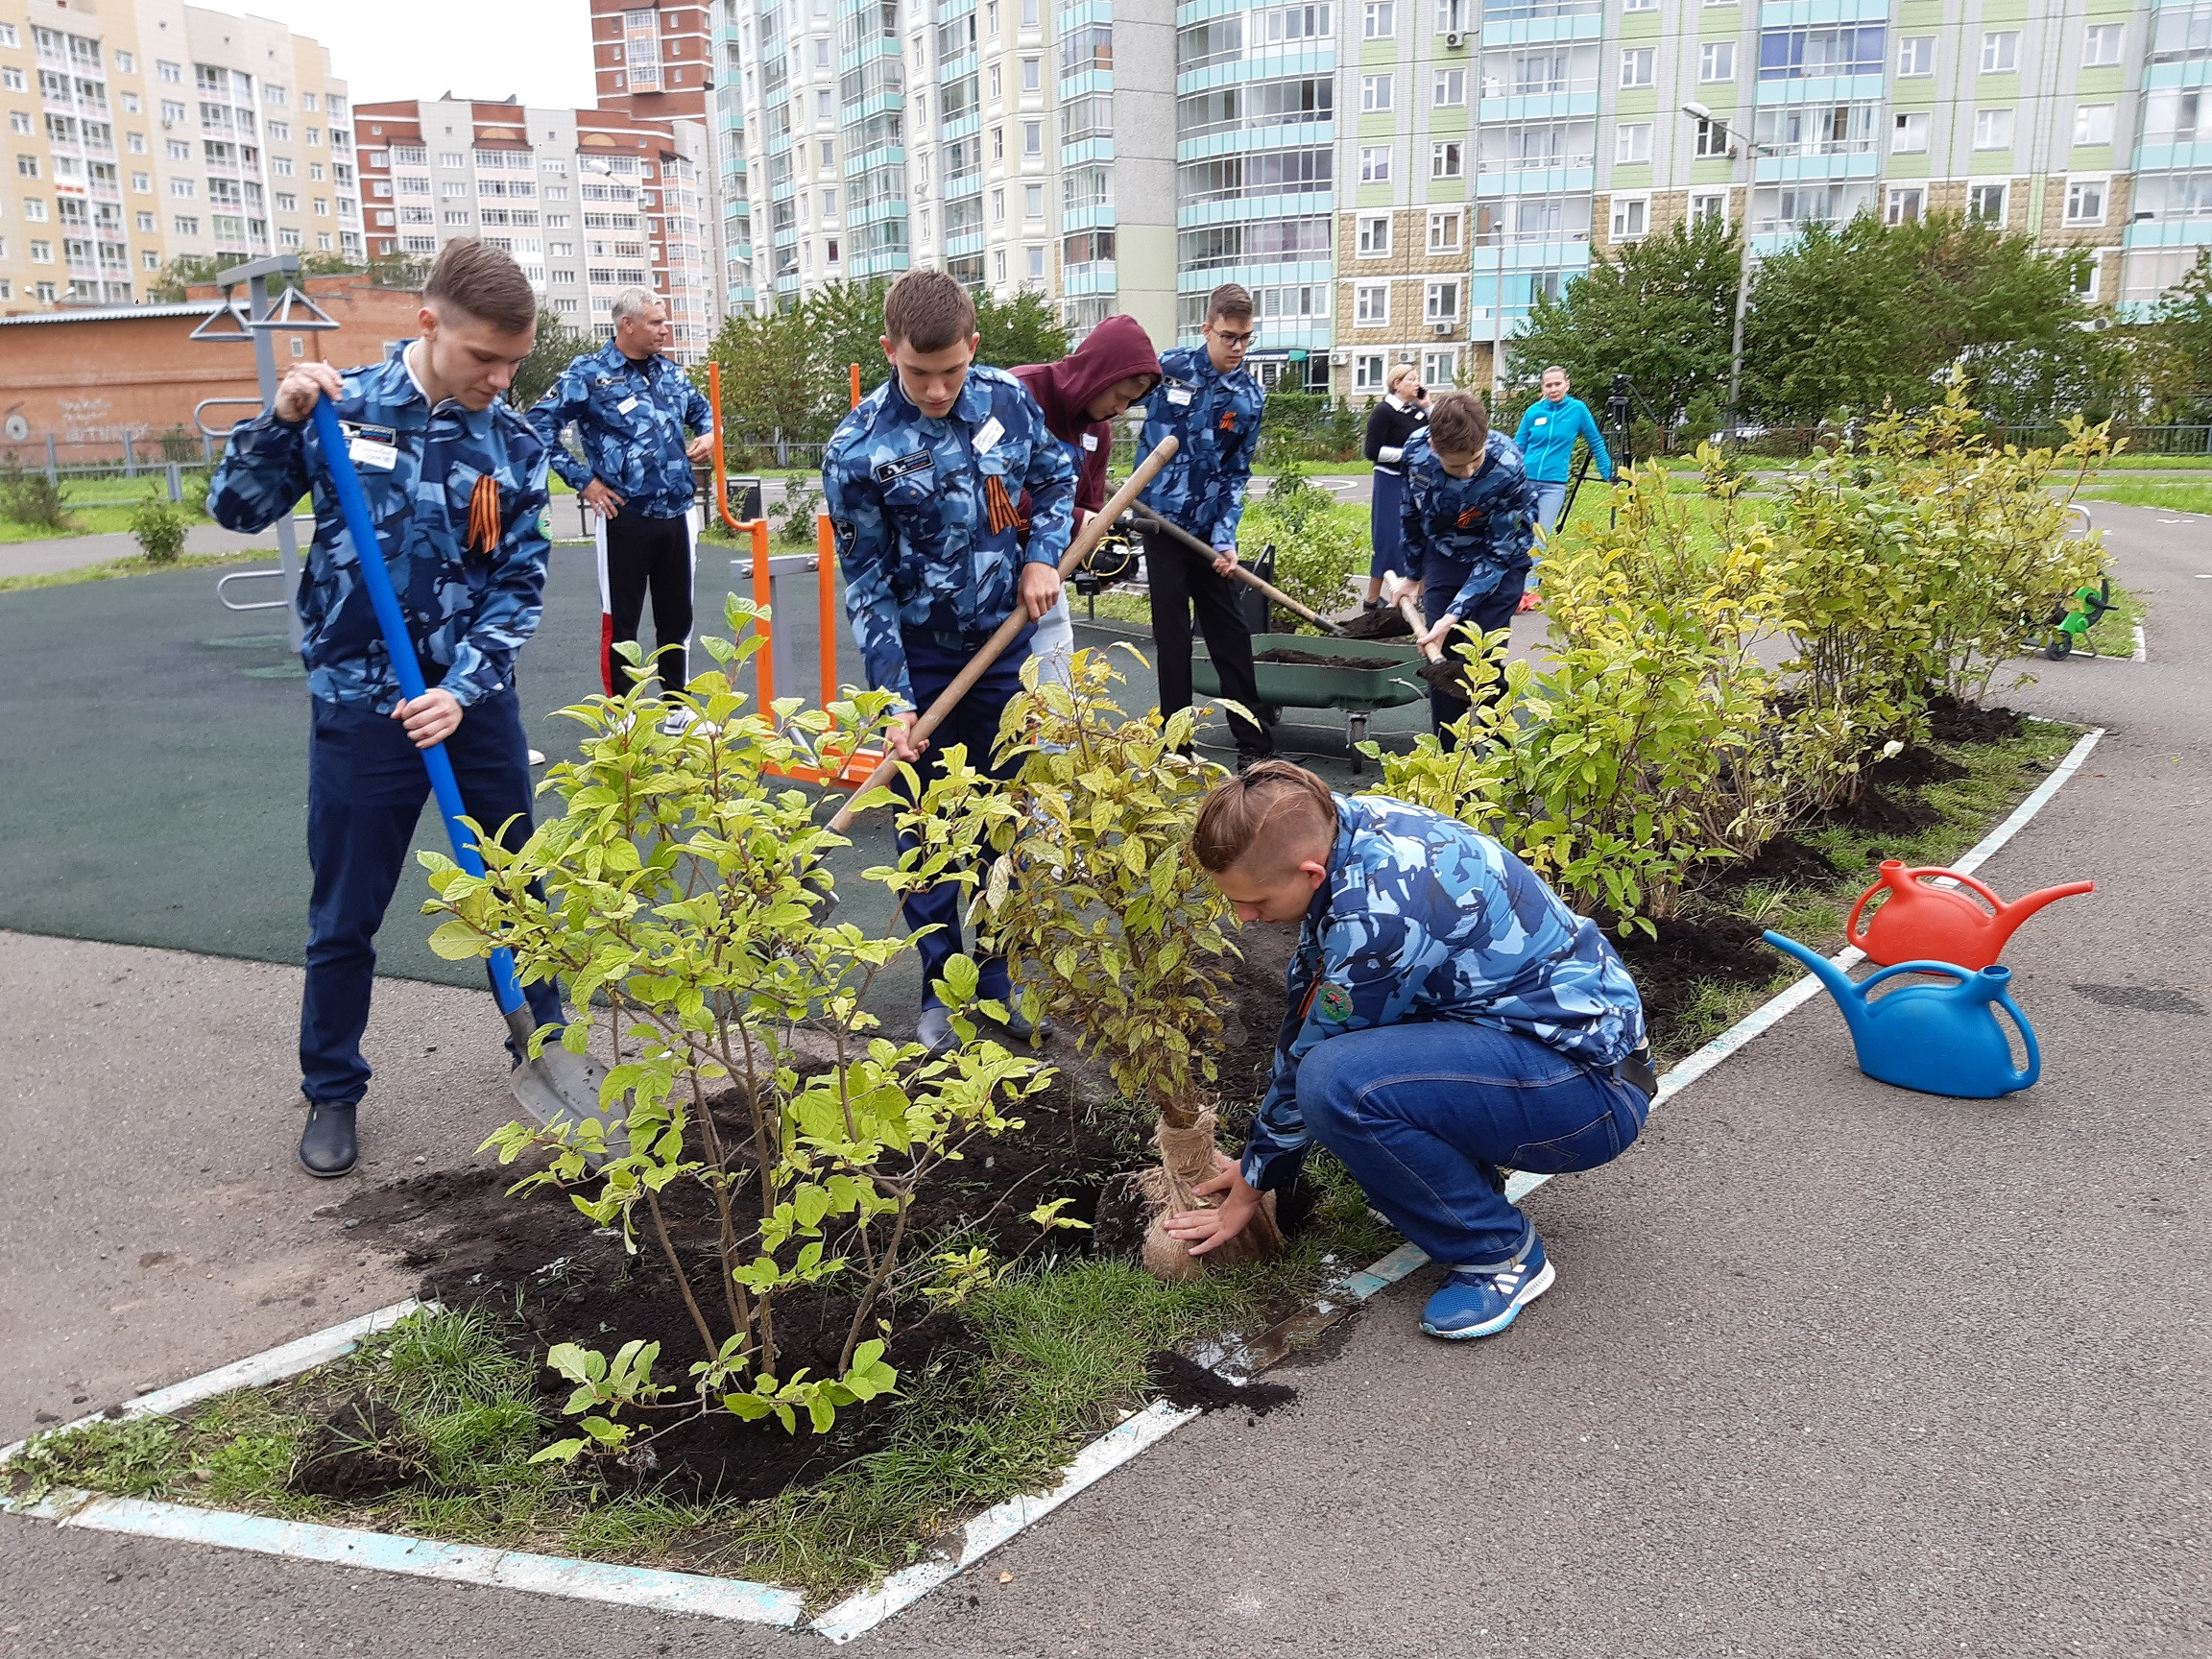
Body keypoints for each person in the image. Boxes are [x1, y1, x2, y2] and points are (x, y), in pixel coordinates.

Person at [207, 239, 568, 1180]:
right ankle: (332, 1088)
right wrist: (281, 422)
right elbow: (237, 509)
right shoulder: (339, 410)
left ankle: (546, 1048)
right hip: (363, 705)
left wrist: (461, 689)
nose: (497, 377)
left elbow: (520, 585)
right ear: (427, 323)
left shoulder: (513, 444)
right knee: (347, 908)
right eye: (481, 357)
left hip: (471, 707)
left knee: (514, 893)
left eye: (512, 362)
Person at [1166, 761, 1652, 1339]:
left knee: (1338, 1083)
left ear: (1309, 871)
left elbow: (1314, 1053)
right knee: (1341, 1070)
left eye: (1256, 901)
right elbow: (1308, 1005)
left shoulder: (1379, 913)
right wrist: (1261, 1163)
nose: (1244, 917)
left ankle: (1500, 1253)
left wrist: (1249, 1190)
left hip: (1585, 1097)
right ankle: (1464, 1191)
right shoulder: (1347, 824)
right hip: (1549, 1053)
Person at [821, 268, 1078, 1053]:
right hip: (923, 661)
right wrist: (896, 701)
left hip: (1005, 651)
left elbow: (1056, 475)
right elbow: (866, 587)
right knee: (929, 831)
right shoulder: (857, 449)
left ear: (973, 346)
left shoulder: (1006, 399)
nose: (936, 390)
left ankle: (997, 989)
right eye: (917, 373)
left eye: (951, 371)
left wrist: (1041, 557)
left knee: (1006, 820)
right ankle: (941, 992)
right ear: (887, 350)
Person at [526, 286, 715, 731]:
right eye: (655, 322)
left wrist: (708, 435)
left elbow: (704, 412)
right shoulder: (588, 374)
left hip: (677, 513)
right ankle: (623, 712)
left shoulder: (670, 373)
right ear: (626, 324)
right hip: (623, 516)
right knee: (622, 618)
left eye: (665, 321)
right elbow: (537, 427)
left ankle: (676, 707)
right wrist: (585, 482)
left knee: (677, 616)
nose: (664, 329)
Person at [1135, 282, 1273, 768]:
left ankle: (1254, 746)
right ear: (1207, 329)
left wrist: (1226, 537)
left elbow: (1238, 473)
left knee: (1229, 633)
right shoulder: (1168, 369)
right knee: (1171, 637)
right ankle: (1176, 748)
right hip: (1161, 525)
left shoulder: (1250, 395)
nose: (1237, 347)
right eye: (1229, 336)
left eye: (1246, 338)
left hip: (1209, 534)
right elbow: (1112, 395)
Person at [1012, 313, 1162, 685]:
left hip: (1046, 577)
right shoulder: (1019, 394)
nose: (1121, 409)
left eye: (1132, 402)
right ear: (1099, 374)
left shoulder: (1099, 431)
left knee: (1059, 701)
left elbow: (1093, 508)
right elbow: (994, 494)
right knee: (997, 704)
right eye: (1120, 396)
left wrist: (1095, 558)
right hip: (989, 573)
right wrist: (1077, 521)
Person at [1384, 391, 1538, 740]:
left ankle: (1499, 757)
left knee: (1483, 660)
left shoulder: (1508, 464)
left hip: (1501, 564)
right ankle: (1449, 763)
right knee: (1442, 657)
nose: (1469, 473)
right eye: (1457, 466)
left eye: (1475, 460)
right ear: (1435, 448)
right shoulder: (1416, 452)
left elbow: (1498, 553)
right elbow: (1410, 512)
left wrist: (1453, 614)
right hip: (1446, 556)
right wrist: (1413, 574)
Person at [1511, 365, 1615, 610]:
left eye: (1558, 384)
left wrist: (1608, 472)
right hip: (1526, 481)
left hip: (1553, 485)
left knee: (1541, 536)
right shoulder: (1533, 411)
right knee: (1521, 534)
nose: (1553, 389)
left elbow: (1596, 441)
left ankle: (1530, 591)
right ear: (1542, 388)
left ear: (1567, 385)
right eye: (1548, 385)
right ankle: (1513, 589)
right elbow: (1518, 445)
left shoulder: (1577, 410)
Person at [1359, 362, 1429, 610]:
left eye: (1418, 378)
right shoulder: (1384, 411)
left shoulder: (1416, 412)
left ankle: (1418, 596)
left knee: (1419, 534)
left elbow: (1434, 435)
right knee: (1387, 538)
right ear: (1397, 384)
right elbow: (1372, 451)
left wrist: (1426, 405)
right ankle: (1372, 598)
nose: (1417, 383)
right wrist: (1406, 454)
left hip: (1414, 481)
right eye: (1412, 379)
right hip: (1389, 480)